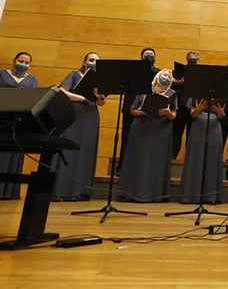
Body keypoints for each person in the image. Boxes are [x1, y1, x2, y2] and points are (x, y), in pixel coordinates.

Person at [0, 52, 38, 200]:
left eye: (27, 63)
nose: (23, 64)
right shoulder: (1, 73)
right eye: (20, 61)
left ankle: (7, 192)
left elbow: (34, 97)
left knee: (13, 151)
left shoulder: (32, 79)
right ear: (14, 60)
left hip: (18, 119)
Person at [52, 52, 105, 201]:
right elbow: (61, 92)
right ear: (84, 62)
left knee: (85, 152)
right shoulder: (74, 75)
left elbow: (101, 103)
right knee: (68, 150)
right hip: (73, 114)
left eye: (97, 61)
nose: (94, 63)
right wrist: (82, 98)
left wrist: (100, 97)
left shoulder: (100, 81)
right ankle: (60, 190)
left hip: (91, 116)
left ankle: (79, 191)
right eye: (91, 60)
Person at [118, 69, 177, 202]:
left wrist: (168, 113)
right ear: (158, 76)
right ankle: (131, 193)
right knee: (138, 159)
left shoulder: (172, 93)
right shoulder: (144, 90)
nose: (166, 78)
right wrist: (137, 112)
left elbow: (174, 115)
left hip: (161, 130)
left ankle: (154, 195)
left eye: (169, 76)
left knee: (156, 162)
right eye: (164, 75)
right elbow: (132, 109)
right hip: (142, 127)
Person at [117, 47, 160, 171]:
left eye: (152, 54)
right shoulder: (132, 71)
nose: (149, 56)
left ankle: (143, 168)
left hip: (149, 109)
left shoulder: (158, 73)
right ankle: (122, 167)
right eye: (146, 54)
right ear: (141, 57)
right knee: (127, 138)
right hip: (129, 107)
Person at [179, 96, 227, 204]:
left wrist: (220, 112)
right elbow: (192, 114)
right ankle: (191, 195)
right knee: (196, 159)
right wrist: (198, 109)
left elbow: (222, 116)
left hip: (215, 128)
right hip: (198, 127)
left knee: (212, 160)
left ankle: (210, 196)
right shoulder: (196, 94)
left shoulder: (222, 95)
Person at [171, 50, 200, 159]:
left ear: (198, 61)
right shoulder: (178, 72)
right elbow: (171, 85)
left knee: (192, 134)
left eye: (195, 60)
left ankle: (190, 158)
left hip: (194, 108)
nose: (193, 62)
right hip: (181, 105)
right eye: (190, 60)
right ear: (187, 60)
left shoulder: (202, 73)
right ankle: (173, 156)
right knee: (177, 132)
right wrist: (180, 82)